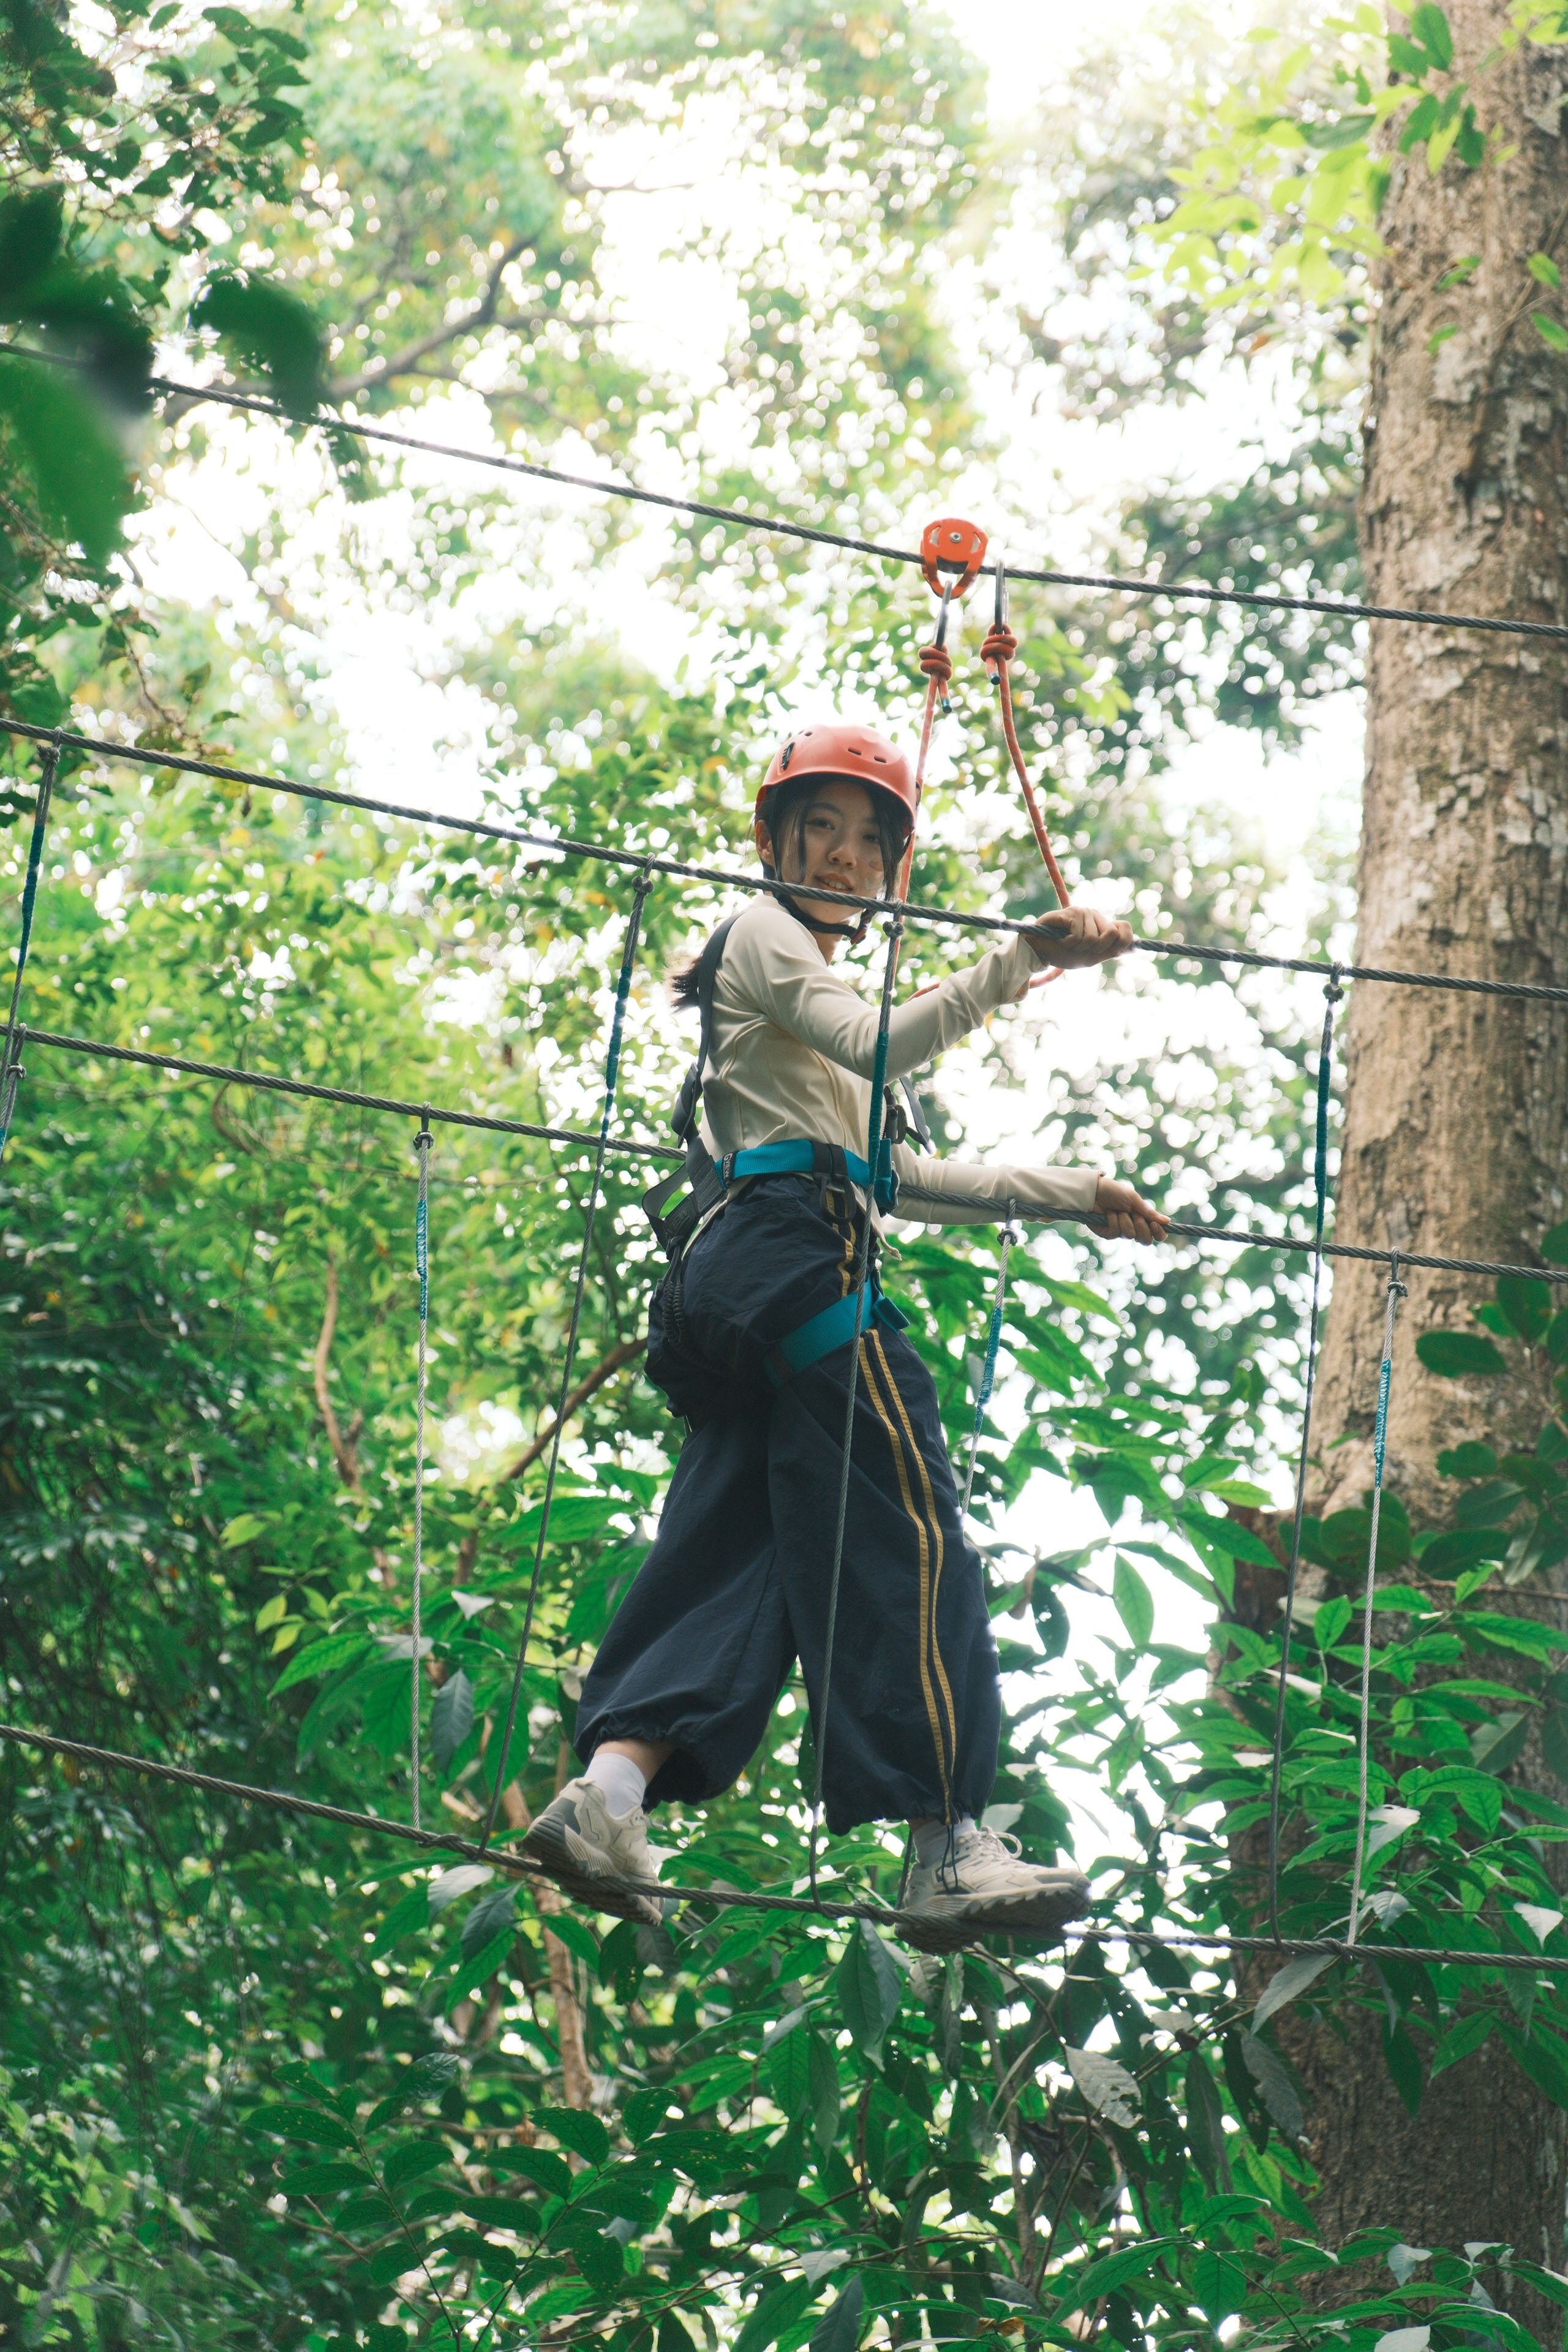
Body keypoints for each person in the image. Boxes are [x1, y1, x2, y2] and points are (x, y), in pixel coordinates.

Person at [524, 720, 1167, 1950]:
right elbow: (880, 1041)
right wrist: (1022, 957)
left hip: (749, 1284)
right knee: (906, 1525)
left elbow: (904, 1179)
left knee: (744, 1548)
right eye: (819, 828)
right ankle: (945, 1839)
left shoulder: (818, 1023)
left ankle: (606, 1796)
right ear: (772, 842)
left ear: (889, 872)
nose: (843, 856)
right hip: (794, 1261)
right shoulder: (763, 935)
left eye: (870, 843)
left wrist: (1075, 1194)